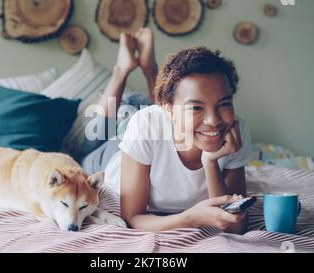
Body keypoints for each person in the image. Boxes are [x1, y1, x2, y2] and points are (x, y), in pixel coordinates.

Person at [81, 28, 253, 234]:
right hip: (112, 155)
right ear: (167, 108)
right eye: (196, 107)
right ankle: (122, 69)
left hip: (164, 123)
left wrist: (210, 161)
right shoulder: (144, 123)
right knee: (97, 136)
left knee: (174, 101)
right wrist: (190, 218)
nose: (214, 120)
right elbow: (133, 218)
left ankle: (150, 68)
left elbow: (234, 226)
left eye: (224, 104)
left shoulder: (235, 130)